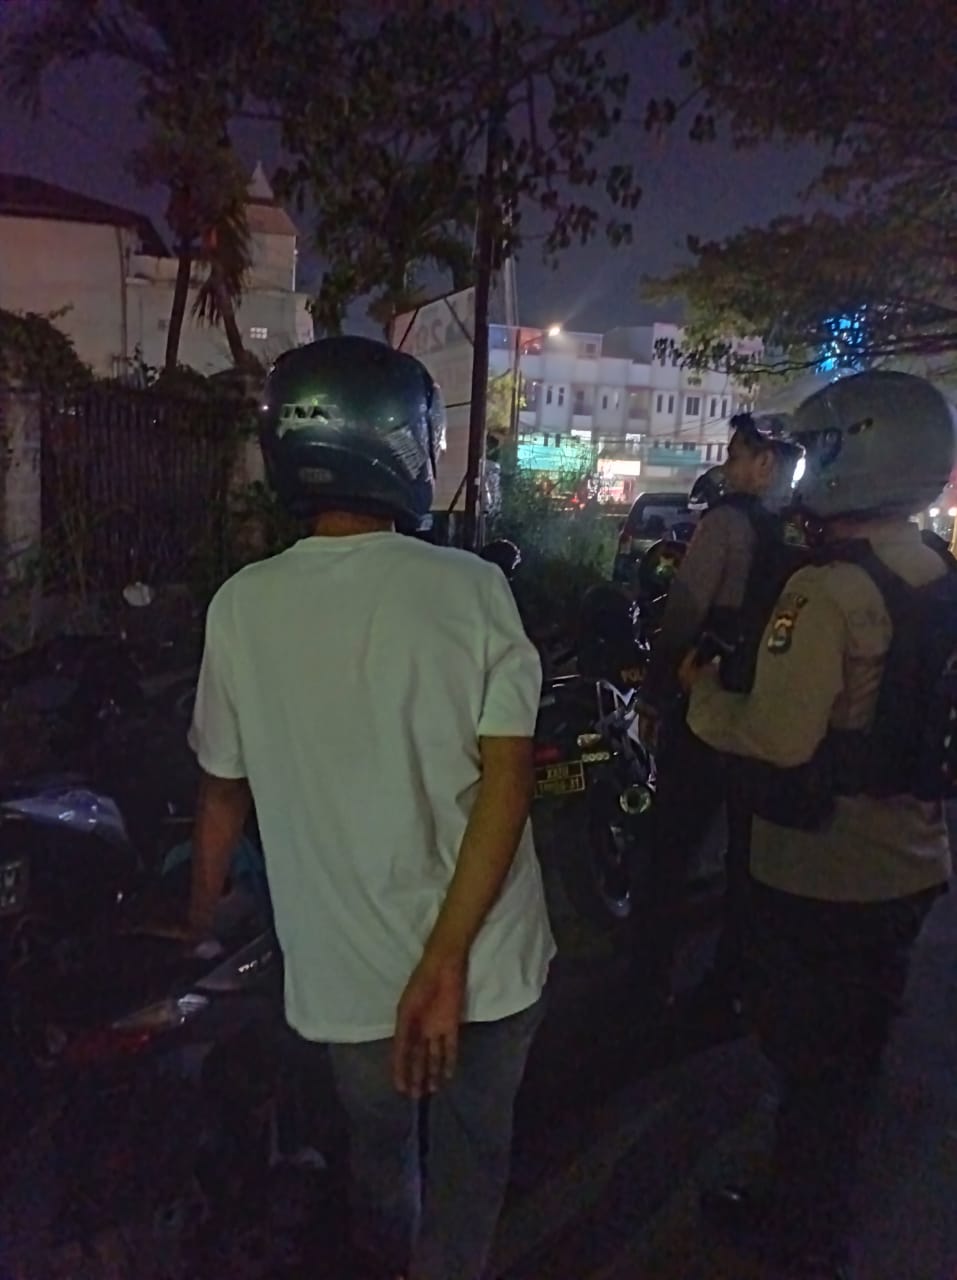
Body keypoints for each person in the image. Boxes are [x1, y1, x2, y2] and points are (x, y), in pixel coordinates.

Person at [186, 336, 555, 1280]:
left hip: (351, 980)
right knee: (473, 1154)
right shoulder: (471, 587)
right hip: (486, 962)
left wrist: (194, 922)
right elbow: (507, 781)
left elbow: (222, 789)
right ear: (404, 444)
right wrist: (446, 961)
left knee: (379, 1154)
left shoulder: (240, 606)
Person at [683, 370, 956, 1279]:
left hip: (821, 866)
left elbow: (778, 736)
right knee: (852, 1063)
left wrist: (701, 700)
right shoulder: (936, 574)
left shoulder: (828, 590)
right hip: (911, 860)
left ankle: (802, 1235)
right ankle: (810, 1212)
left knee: (807, 1066)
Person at [631, 415, 803, 1016]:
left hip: (709, 705)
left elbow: (685, 610)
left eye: (736, 455)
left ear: (765, 464)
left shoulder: (727, 523)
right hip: (773, 711)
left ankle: (648, 977)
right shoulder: (802, 531)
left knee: (670, 844)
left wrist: (656, 693)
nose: (727, 467)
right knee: (747, 856)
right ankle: (733, 982)